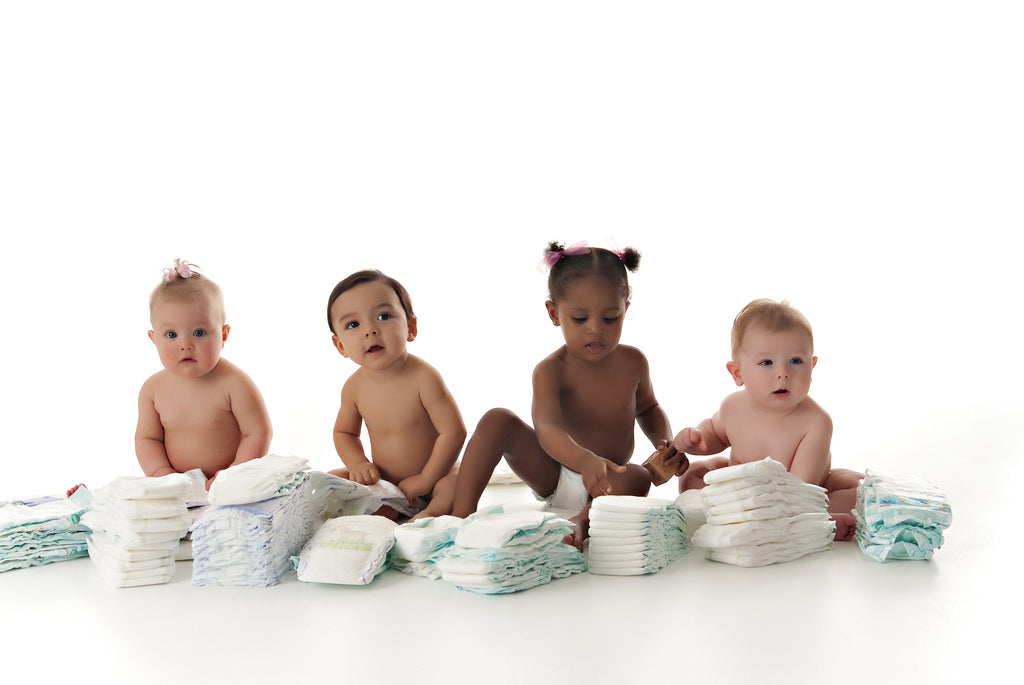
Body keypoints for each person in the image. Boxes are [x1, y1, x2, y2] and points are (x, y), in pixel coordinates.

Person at [451, 241, 674, 548]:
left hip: (608, 480)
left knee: (639, 476)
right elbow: (548, 429)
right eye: (579, 319)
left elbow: (648, 408)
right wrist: (583, 460)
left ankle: (583, 519)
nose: (595, 329)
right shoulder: (551, 370)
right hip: (554, 473)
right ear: (554, 313)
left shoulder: (634, 362)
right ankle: (460, 517)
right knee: (496, 419)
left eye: (610, 318)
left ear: (625, 311)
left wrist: (664, 441)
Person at [669, 298, 863, 540]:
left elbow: (801, 488)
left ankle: (807, 522)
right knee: (694, 474)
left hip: (799, 493)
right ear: (738, 373)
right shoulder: (733, 406)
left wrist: (785, 506)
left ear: (812, 367)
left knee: (860, 489)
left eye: (795, 361)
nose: (783, 373)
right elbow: (715, 434)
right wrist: (697, 438)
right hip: (741, 490)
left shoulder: (816, 422)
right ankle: (762, 517)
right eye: (767, 363)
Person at [327, 269, 466, 521]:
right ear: (340, 346)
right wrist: (359, 464)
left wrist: (426, 479)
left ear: (410, 327)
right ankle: (387, 510)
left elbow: (454, 432)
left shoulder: (423, 377)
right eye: (353, 324)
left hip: (436, 476)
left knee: (457, 482)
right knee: (332, 479)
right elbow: (344, 433)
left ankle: (428, 515)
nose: (369, 330)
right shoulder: (354, 387)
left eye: (383, 316)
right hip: (388, 482)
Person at [135, 259, 273, 486]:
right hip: (179, 487)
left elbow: (258, 433)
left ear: (223, 335)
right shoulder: (153, 390)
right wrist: (160, 471)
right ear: (154, 339)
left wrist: (235, 471)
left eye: (199, 332)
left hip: (232, 484)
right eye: (171, 335)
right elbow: (147, 438)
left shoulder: (234, 383)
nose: (185, 344)